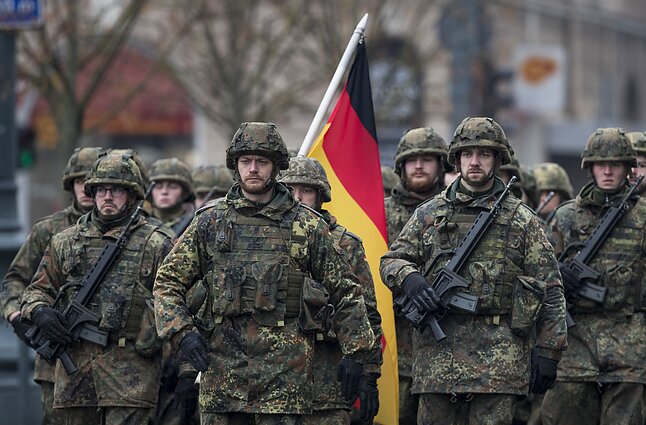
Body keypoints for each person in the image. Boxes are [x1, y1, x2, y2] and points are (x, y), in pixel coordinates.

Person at [153, 122, 376, 424]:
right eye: (246, 161)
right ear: (236, 165)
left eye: (262, 161)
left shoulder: (306, 226)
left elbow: (347, 292)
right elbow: (167, 283)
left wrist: (356, 354)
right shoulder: (210, 223)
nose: (253, 169)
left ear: (276, 167)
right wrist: (182, 333)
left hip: (284, 385)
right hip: (223, 379)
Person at [380, 117, 567, 425]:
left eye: (484, 154)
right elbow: (391, 260)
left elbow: (550, 288)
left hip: (498, 361)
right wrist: (410, 279)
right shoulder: (429, 214)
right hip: (437, 359)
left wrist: (549, 350)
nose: (475, 162)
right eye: (467, 154)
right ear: (457, 159)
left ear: (497, 160)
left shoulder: (521, 220)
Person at [20, 153, 174, 424]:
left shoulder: (155, 243)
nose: (107, 196)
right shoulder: (64, 241)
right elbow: (36, 290)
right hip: (76, 371)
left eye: (116, 190)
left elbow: (178, 296)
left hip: (131, 373)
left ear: (131, 195)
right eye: (101, 190)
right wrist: (40, 311)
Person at [542, 127, 646, 425]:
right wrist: (558, 273)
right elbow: (536, 276)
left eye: (616, 164)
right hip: (575, 347)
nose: (608, 171)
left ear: (628, 168)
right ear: (590, 168)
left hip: (629, 347)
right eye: (601, 164)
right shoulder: (566, 216)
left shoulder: (642, 215)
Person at [0, 146, 104, 425]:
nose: (85, 189)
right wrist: (20, 315)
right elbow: (14, 280)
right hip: (56, 357)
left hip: (110, 362)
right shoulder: (49, 230)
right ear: (70, 185)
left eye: (91, 182)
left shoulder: (121, 230)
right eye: (79, 181)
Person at [279, 155, 382, 424]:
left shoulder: (345, 244)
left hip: (327, 378)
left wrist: (369, 372)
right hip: (273, 384)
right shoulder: (267, 239)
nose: (298, 198)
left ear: (320, 196)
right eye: (290, 190)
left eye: (307, 190)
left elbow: (366, 311)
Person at [383, 126, 448, 424]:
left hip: (444, 349)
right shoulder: (379, 213)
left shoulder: (454, 213)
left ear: (441, 165)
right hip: (391, 348)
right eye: (412, 160)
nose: (419, 166)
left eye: (427, 159)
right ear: (401, 167)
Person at [148, 157, 196, 233]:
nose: (164, 192)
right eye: (158, 187)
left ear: (185, 193)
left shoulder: (194, 224)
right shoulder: (140, 223)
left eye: (172, 187)